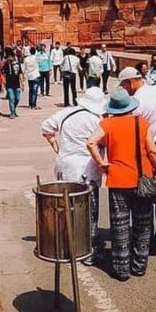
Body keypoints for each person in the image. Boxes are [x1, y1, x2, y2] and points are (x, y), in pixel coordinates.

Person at [86, 88, 156, 281]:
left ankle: (121, 268)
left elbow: (91, 142)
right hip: (142, 178)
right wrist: (154, 168)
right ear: (129, 106)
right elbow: (152, 150)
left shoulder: (107, 123)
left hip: (118, 178)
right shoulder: (142, 123)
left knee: (120, 224)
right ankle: (139, 265)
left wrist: (101, 164)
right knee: (143, 224)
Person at [42, 87, 106, 266]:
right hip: (86, 169)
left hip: (64, 166)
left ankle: (66, 244)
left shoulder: (66, 113)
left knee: (65, 207)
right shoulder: (97, 119)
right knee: (88, 210)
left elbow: (46, 127)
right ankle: (87, 250)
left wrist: (57, 147)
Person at [118, 66, 156, 253]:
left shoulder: (137, 100)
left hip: (146, 148)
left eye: (125, 85)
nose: (125, 90)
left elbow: (132, 126)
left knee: (144, 194)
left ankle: (147, 242)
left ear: (131, 81)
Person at [3, 49, 24, 118]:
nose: (10, 58)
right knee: (11, 98)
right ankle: (12, 112)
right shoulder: (6, 65)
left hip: (17, 84)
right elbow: (4, 75)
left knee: (17, 98)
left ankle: (14, 109)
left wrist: (22, 83)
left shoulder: (17, 64)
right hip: (9, 84)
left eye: (11, 57)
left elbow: (20, 73)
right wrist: (4, 84)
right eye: (8, 57)